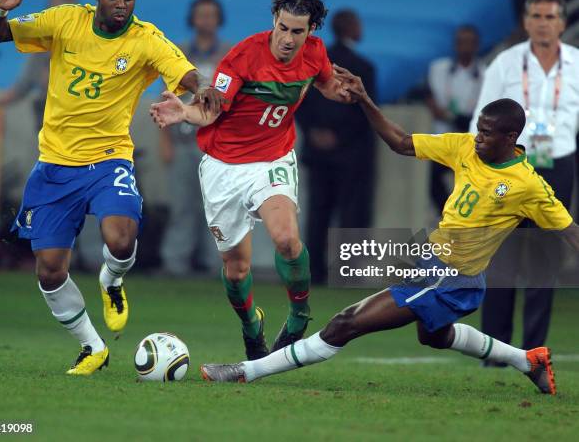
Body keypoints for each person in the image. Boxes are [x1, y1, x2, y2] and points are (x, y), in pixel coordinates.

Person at [200, 91, 579, 396]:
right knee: (434, 335)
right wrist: (365, 99)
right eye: (478, 128)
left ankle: (246, 371)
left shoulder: (528, 185)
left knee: (345, 323)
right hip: (431, 261)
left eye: (487, 132)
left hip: (450, 276)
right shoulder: (465, 146)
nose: (477, 136)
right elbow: (400, 142)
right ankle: (528, 361)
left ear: (511, 138)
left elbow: (568, 229)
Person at [0, 0, 222, 375]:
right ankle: (92, 347)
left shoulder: (144, 39)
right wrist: (1, 9)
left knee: (122, 238)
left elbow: (184, 70)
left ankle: (111, 281)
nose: (121, 3)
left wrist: (201, 87)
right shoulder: (64, 22)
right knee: (50, 269)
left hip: (109, 158)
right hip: (55, 165)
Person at [150, 0, 353, 361]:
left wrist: (338, 91)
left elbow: (323, 81)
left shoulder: (315, 52)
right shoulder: (243, 56)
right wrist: (185, 113)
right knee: (237, 269)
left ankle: (298, 316)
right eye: (283, 28)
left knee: (287, 240)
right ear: (273, 21)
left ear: (311, 31)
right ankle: (251, 326)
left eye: (298, 31)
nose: (288, 39)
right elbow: (211, 110)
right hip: (224, 167)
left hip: (273, 158)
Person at [469, 0, 579, 357]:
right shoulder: (506, 63)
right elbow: (480, 118)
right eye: (536, 16)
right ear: (525, 21)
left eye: (550, 17)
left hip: (558, 165)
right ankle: (496, 353)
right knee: (501, 258)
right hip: (510, 165)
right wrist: (478, 165)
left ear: (562, 22)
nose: (543, 23)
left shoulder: (577, 63)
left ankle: (533, 352)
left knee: (544, 262)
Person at [296, 9, 376, 284]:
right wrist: (340, 137)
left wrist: (314, 132)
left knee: (317, 212)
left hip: (317, 153)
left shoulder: (312, 62)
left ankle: (314, 272)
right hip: (350, 154)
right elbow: (366, 111)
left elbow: (297, 102)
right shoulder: (363, 67)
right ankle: (347, 273)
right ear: (351, 27)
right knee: (351, 213)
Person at [159, 0, 233, 275]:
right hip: (182, 139)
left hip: (216, 144)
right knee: (181, 205)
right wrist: (164, 140)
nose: (206, 20)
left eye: (211, 14)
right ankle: (174, 263)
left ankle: (217, 265)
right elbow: (165, 97)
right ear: (193, 18)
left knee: (218, 207)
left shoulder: (228, 54)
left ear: (219, 19)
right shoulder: (179, 53)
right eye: (201, 14)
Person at [0, 0, 78, 129]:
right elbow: (21, 88)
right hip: (49, 130)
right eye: (57, 13)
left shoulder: (91, 47)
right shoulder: (39, 52)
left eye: (68, 15)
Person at [425, 25, 485, 213]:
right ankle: (449, 215)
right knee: (432, 180)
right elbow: (423, 92)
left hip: (471, 141)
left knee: (474, 187)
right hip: (444, 138)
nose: (464, 46)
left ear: (476, 45)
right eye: (460, 42)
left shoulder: (486, 74)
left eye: (469, 42)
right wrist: (432, 103)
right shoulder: (438, 68)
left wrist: (452, 116)